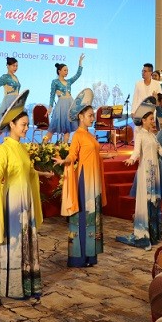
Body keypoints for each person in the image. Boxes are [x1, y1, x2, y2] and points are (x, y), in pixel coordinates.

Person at [0, 107, 52, 300]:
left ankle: (28, 284)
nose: (26, 128)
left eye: (27, 125)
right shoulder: (4, 148)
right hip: (14, 203)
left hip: (26, 202)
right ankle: (13, 287)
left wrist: (43, 174)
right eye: (23, 125)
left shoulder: (23, 148)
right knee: (14, 242)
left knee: (26, 240)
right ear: (12, 125)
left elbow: (30, 171)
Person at [117, 109, 162, 250]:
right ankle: (143, 234)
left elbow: (160, 151)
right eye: (151, 119)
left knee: (154, 201)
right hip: (145, 171)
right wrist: (131, 159)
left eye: (153, 119)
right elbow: (136, 151)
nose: (153, 122)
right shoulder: (140, 134)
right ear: (144, 120)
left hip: (155, 172)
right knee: (146, 200)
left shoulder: (153, 136)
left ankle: (154, 234)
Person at [54, 89, 107, 268]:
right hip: (85, 181)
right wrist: (64, 160)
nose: (93, 118)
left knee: (93, 216)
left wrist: (105, 157)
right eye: (90, 115)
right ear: (81, 117)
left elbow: (93, 154)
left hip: (94, 180)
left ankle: (90, 256)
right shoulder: (77, 135)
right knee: (85, 217)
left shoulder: (90, 135)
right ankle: (79, 257)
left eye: (93, 115)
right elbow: (72, 156)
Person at [44, 54, 84, 144]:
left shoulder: (69, 81)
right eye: (65, 70)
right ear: (59, 71)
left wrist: (80, 63)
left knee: (67, 128)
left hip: (70, 104)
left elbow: (78, 75)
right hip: (61, 106)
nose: (67, 72)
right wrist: (50, 107)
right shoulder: (55, 82)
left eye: (67, 70)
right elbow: (52, 95)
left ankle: (65, 148)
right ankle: (43, 145)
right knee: (53, 127)